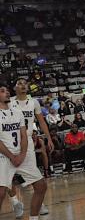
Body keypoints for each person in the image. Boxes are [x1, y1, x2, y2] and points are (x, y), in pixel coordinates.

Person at [0, 83, 47, 220]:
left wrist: (21, 155)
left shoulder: (17, 112)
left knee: (41, 186)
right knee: (1, 192)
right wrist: (11, 156)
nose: (7, 92)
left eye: (7, 91)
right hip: (3, 157)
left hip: (21, 156)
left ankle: (33, 218)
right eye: (2, 91)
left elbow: (24, 136)